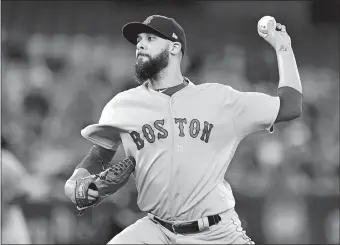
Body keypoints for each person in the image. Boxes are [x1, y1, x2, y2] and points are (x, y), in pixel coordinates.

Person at [65, 15, 303, 244]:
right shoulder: (122, 105)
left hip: (215, 232)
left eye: (150, 39)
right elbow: (97, 157)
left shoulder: (219, 99)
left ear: (175, 47)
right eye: (138, 41)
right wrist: (77, 185)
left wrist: (284, 47)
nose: (140, 46)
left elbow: (290, 106)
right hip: (155, 230)